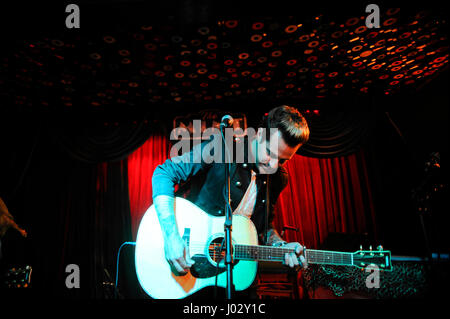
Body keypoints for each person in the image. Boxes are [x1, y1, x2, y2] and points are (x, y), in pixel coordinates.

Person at [152, 105, 310, 279]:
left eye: (282, 161)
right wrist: (171, 236)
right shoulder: (220, 148)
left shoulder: (279, 179)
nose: (273, 165)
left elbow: (264, 227)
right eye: (269, 153)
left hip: (235, 274)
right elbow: (164, 173)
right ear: (258, 134)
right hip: (190, 266)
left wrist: (281, 245)